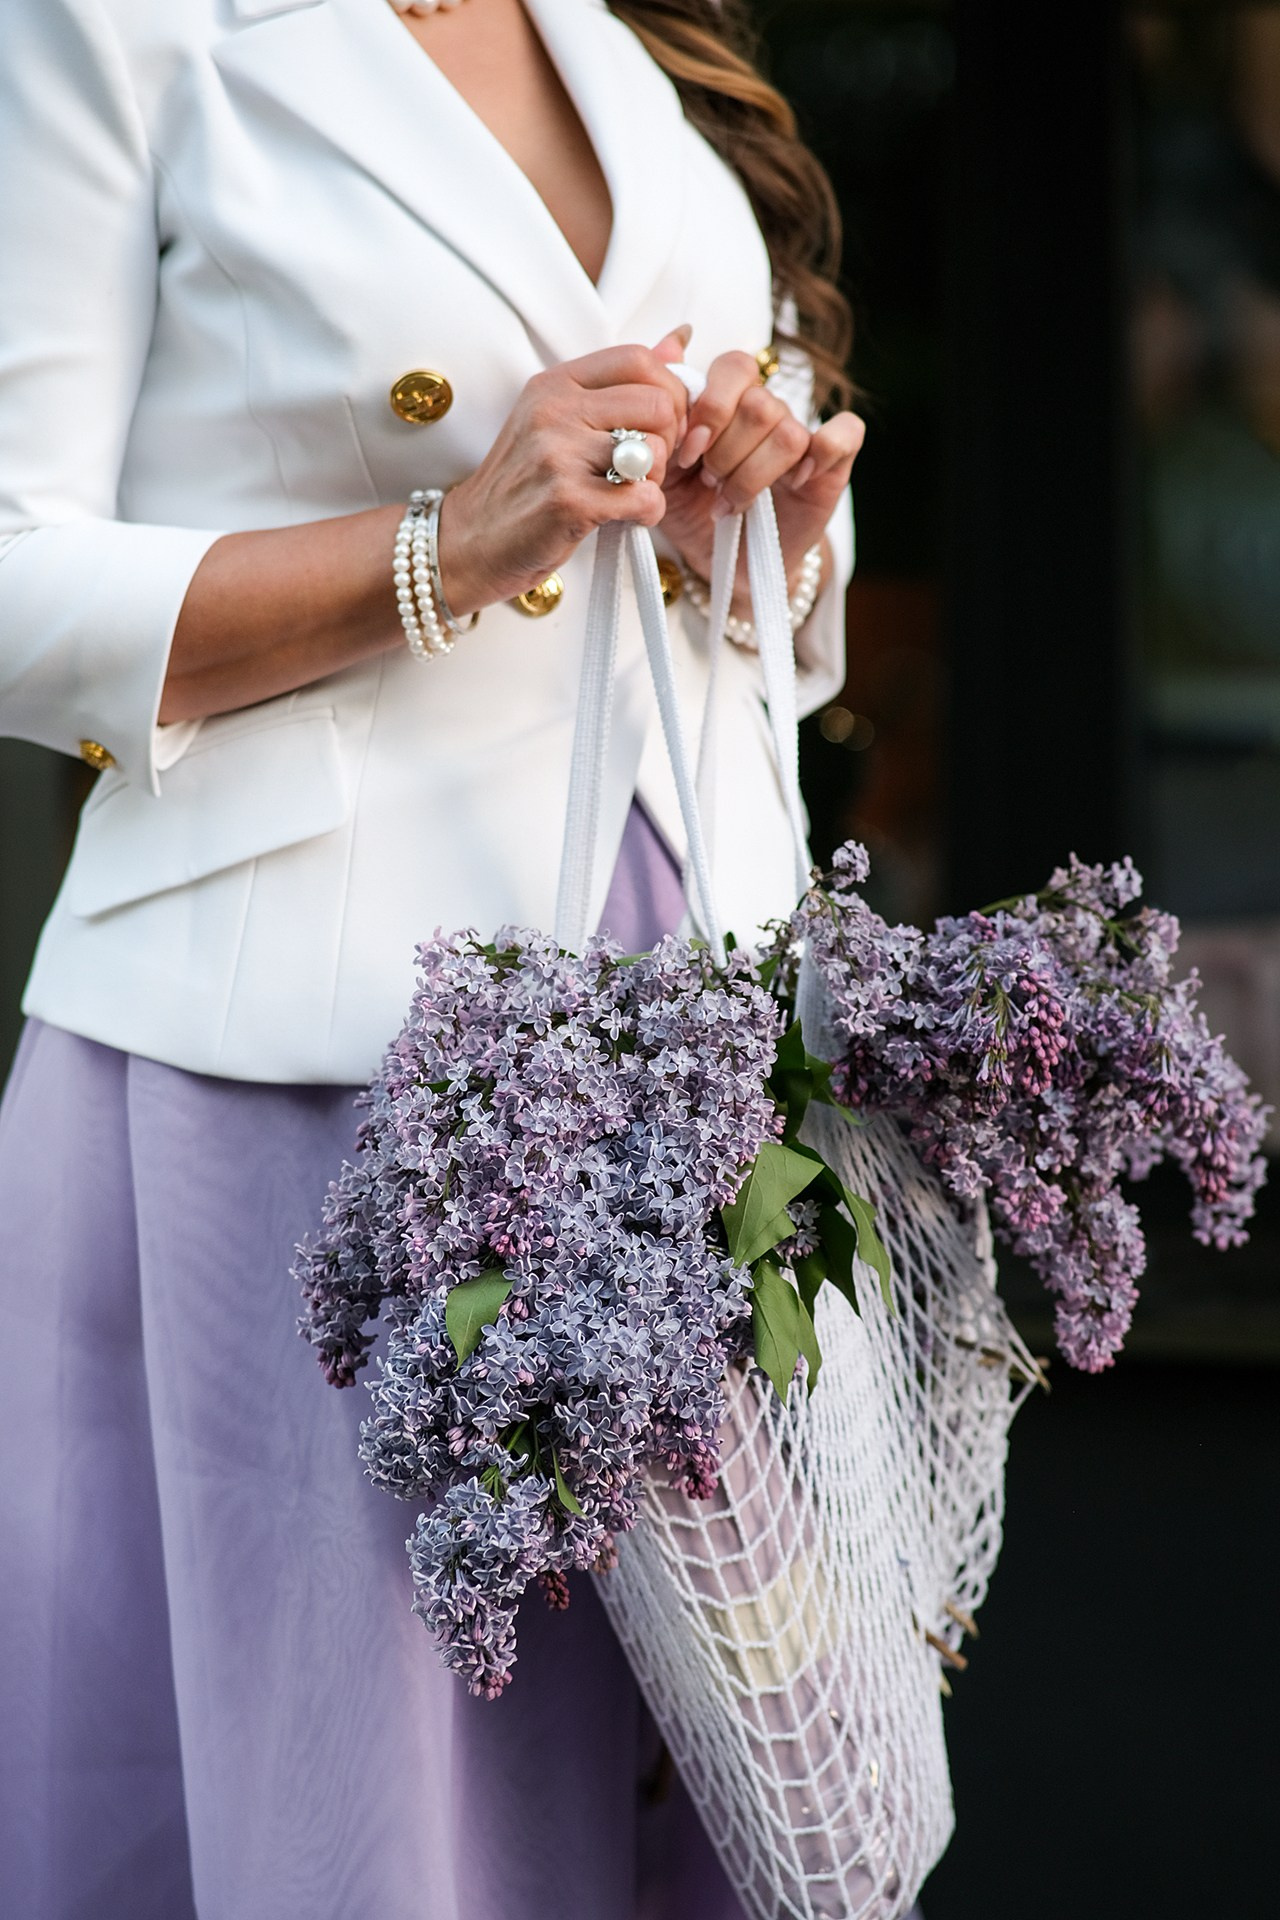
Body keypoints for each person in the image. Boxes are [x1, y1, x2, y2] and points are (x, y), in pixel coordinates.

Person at [0, 3, 871, 1916]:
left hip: (678, 1082)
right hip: (304, 1092)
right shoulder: (117, 28)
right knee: (364, 1835)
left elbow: (713, 619)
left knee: (718, 1812)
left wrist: (767, 536)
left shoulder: (627, 38)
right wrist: (449, 541)